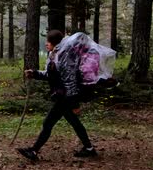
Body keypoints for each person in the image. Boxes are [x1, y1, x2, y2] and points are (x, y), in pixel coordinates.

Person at [17, 29, 97, 161]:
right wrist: (35, 73)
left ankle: (34, 151)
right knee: (74, 122)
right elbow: (49, 75)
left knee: (48, 122)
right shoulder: (54, 55)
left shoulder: (64, 56)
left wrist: (73, 102)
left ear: (55, 42)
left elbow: (69, 80)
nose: (46, 44)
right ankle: (89, 149)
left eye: (48, 41)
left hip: (65, 97)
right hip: (63, 96)